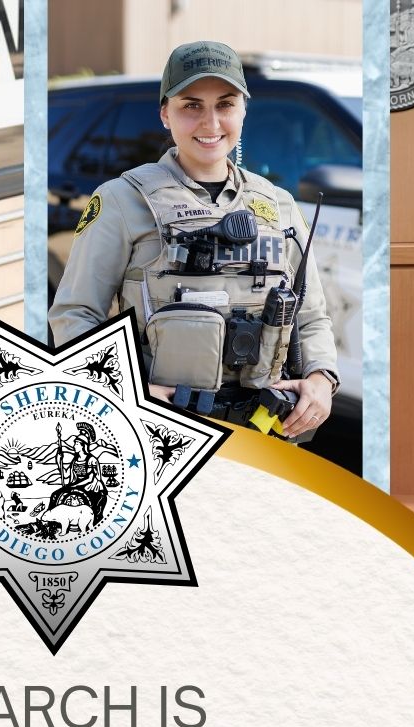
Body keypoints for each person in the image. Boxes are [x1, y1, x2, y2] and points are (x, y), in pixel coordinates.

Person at [49, 42, 339, 441]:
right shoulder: (121, 200)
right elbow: (75, 314)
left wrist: (321, 379)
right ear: (165, 114)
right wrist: (122, 393)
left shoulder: (280, 206)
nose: (211, 122)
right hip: (164, 431)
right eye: (191, 105)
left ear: (243, 110)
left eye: (225, 104)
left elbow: (311, 315)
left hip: (265, 430)